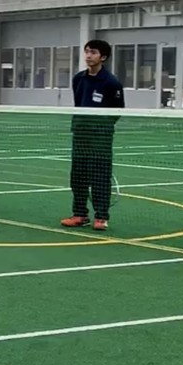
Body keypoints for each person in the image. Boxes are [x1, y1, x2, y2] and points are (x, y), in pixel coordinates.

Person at [62, 39, 124, 231]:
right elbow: (78, 103)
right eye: (87, 51)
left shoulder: (112, 82)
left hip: (100, 137)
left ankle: (101, 217)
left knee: (100, 177)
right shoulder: (78, 79)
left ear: (103, 57)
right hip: (80, 134)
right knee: (78, 176)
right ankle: (80, 214)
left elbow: (117, 111)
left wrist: (100, 126)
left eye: (93, 52)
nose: (88, 56)